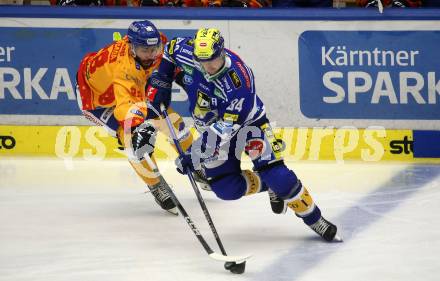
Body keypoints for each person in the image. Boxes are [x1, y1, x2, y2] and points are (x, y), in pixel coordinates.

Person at [149, 28, 341, 242]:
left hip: (249, 126)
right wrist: (162, 80)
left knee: (280, 177)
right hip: (211, 128)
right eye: (203, 62)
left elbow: (225, 129)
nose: (208, 68)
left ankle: (315, 220)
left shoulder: (239, 81)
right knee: (225, 188)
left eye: (212, 61)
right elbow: (169, 49)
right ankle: (269, 185)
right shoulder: (188, 51)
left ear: (222, 52)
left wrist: (194, 154)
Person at [75, 20, 193, 215]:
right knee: (130, 138)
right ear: (131, 47)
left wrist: (182, 75)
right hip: (97, 99)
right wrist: (140, 127)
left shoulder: (153, 45)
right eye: (145, 50)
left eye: (154, 48)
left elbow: (170, 57)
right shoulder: (123, 69)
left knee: (169, 119)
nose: (152, 54)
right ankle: (156, 185)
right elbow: (125, 109)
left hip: (132, 84)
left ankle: (197, 162)